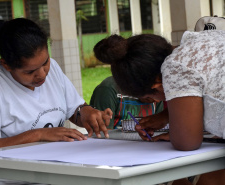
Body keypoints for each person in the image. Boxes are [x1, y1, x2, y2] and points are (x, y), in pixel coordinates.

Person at [93, 32, 225, 184]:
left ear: (158, 85)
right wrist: (167, 116)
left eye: (152, 97)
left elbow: (187, 144)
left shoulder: (174, 68)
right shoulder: (197, 40)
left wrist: (180, 133)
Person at [0, 18, 113, 149]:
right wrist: (38, 135)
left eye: (45, 62)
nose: (42, 74)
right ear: (6, 65)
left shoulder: (53, 67)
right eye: (30, 71)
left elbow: (74, 110)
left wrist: (86, 113)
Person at [90, 76, 168, 130]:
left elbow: (157, 130)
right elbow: (103, 134)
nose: (157, 101)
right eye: (150, 95)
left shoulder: (159, 91)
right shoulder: (109, 89)